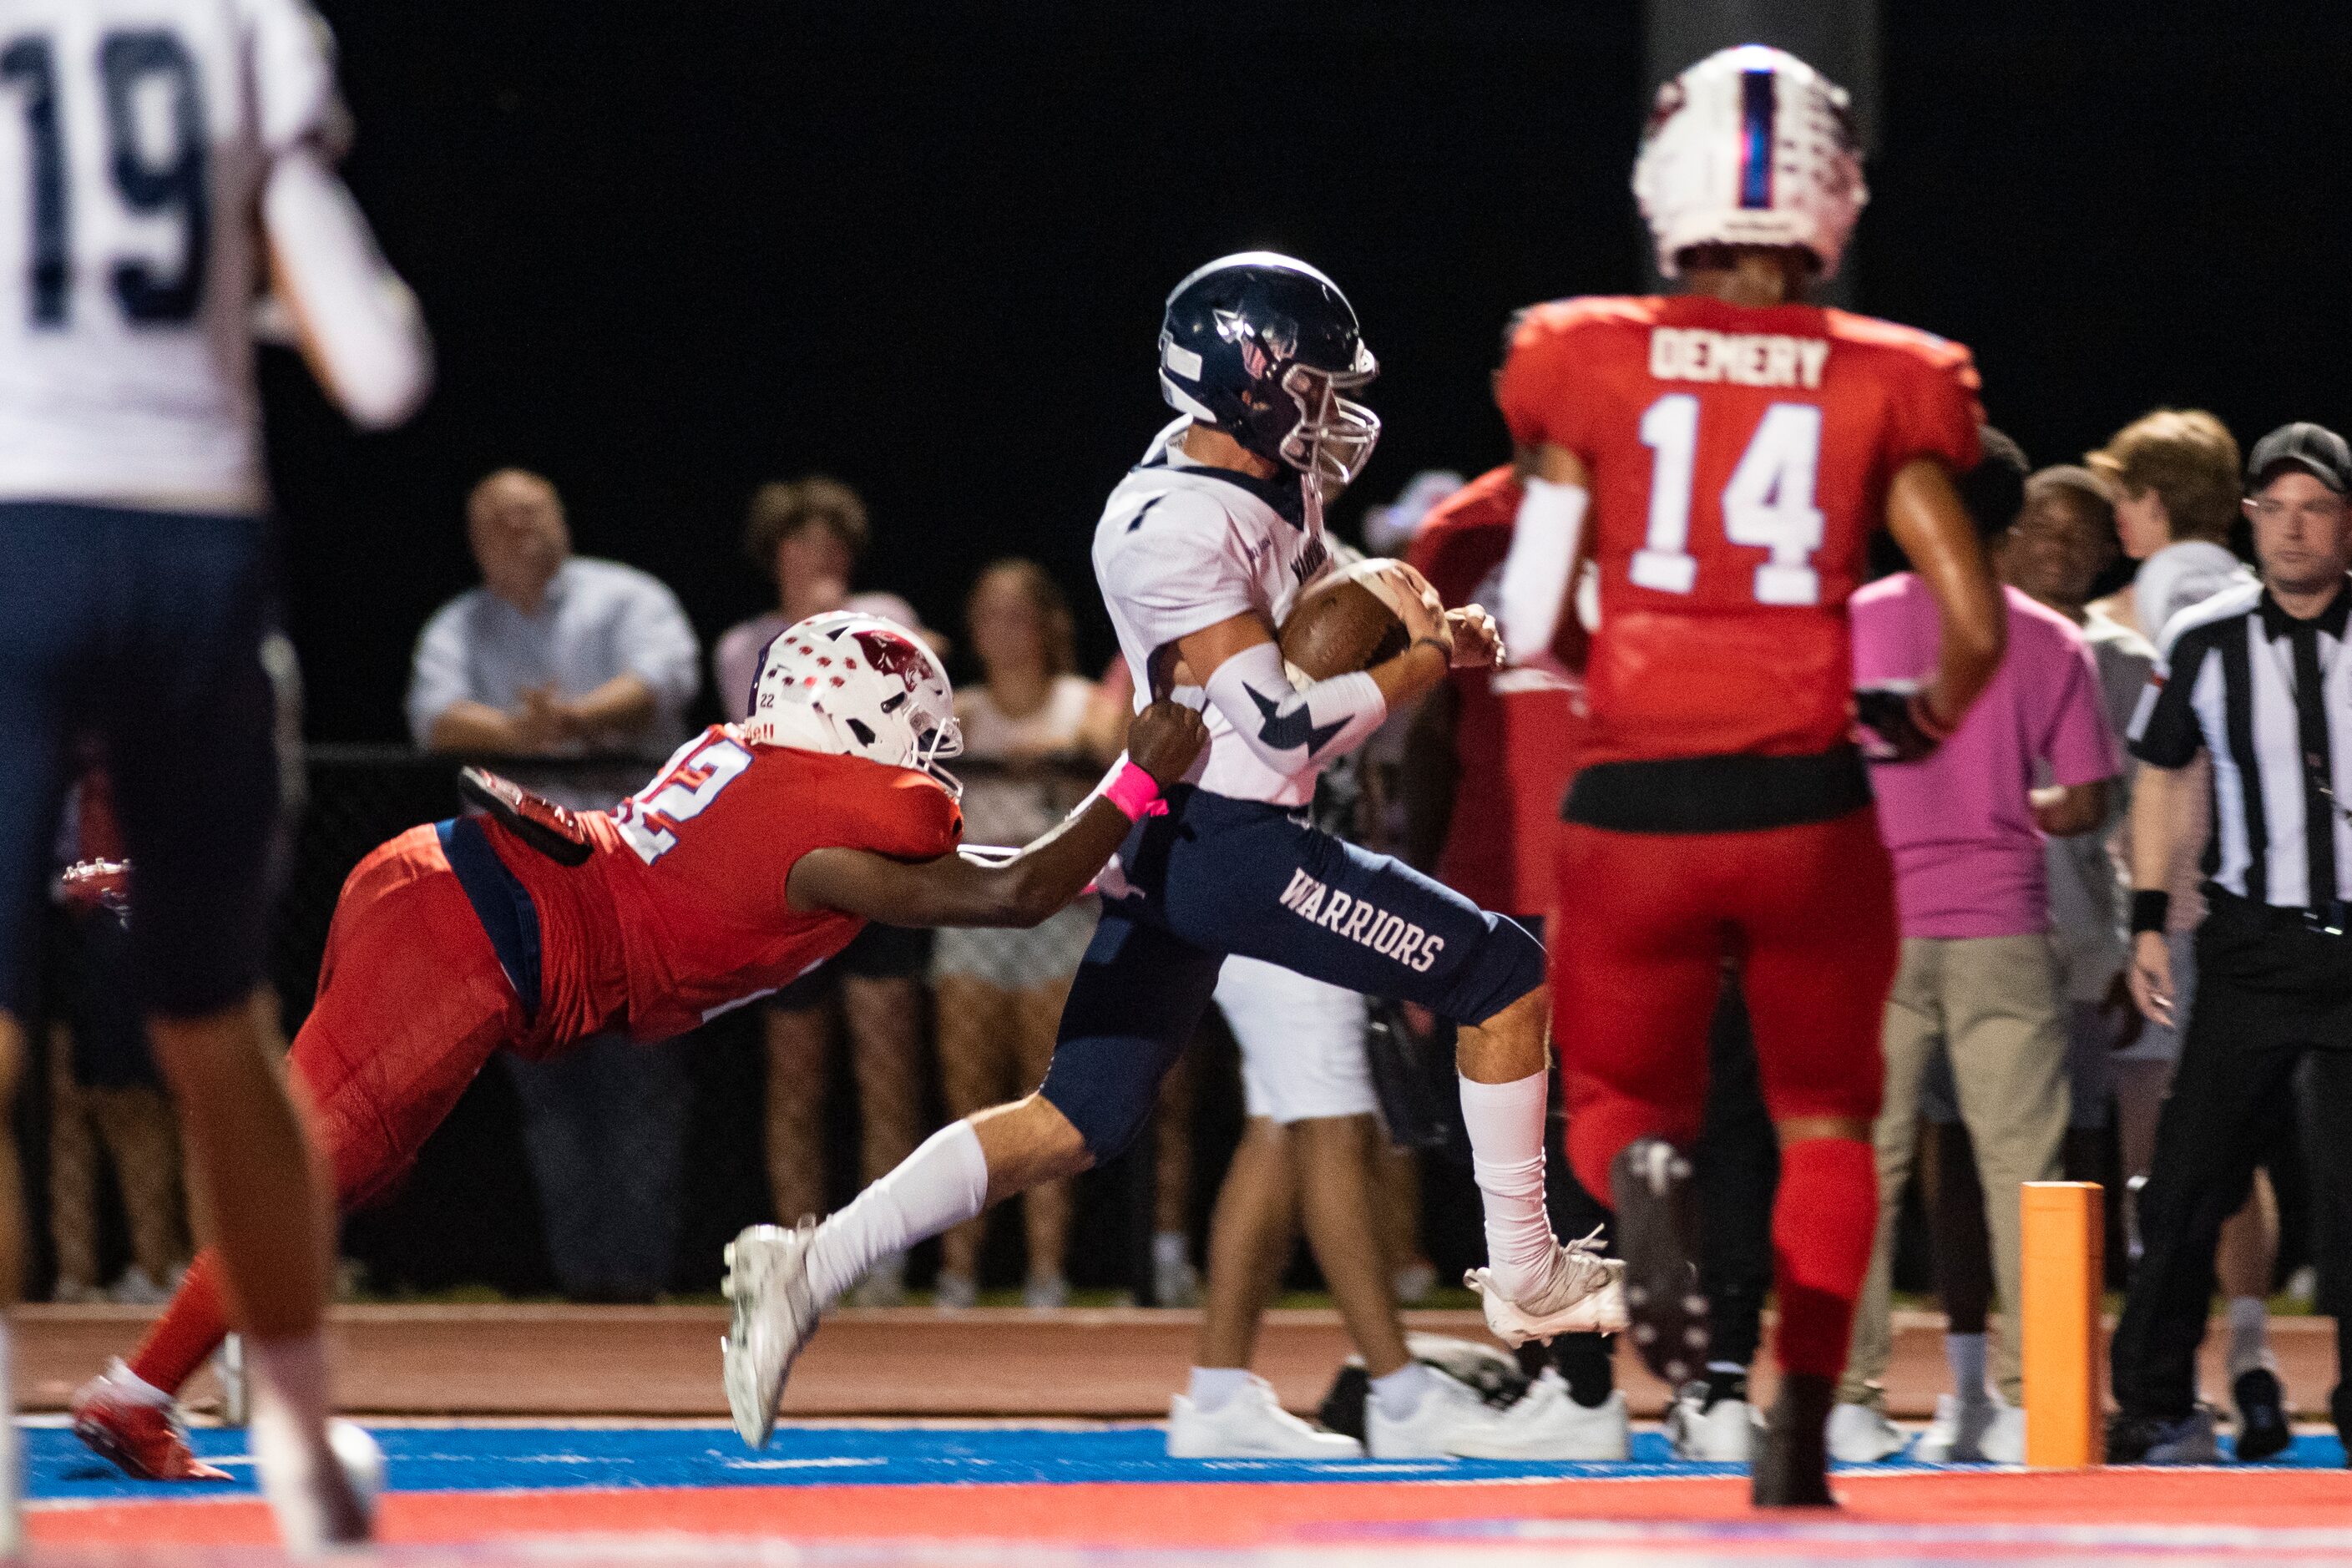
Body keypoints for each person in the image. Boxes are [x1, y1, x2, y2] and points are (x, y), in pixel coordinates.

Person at [724, 251, 1618, 1458]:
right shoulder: (1173, 525)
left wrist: (1385, 608)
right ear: (1251, 380)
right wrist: (1419, 661)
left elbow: (1304, 639)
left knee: (1074, 1116)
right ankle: (1525, 1272)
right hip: (1230, 836)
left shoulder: (1243, 470)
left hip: (1187, 827)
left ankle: (811, 1261)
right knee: (1502, 971)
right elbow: (1285, 720)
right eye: (1313, 383)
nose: (1334, 407)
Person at [68, 613, 1207, 1482]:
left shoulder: (766, 772)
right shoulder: (822, 827)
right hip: (476, 936)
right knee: (311, 1171)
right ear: (858, 718)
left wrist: (1118, 840)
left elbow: (1016, 877)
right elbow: (1017, 897)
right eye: (914, 726)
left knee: (335, 1163)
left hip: (455, 901)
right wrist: (1141, 773)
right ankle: (135, 1391)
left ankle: (194, 1334)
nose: (929, 760)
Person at [1493, 45, 2006, 1505]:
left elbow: (1530, 618)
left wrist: (1640, 668)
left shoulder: (1581, 354)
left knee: (1611, 1092)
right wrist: (1909, 721)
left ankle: (1640, 1184)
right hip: (1805, 802)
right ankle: (1791, 1421)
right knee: (1828, 1118)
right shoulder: (1885, 377)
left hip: (1635, 801)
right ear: (1830, 197)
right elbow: (1969, 625)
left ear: (1667, 183)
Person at [0, 0, 432, 1547]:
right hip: (191, 548)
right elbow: (375, 366)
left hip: (21, 528)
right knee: (223, 1040)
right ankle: (305, 1443)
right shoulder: (246, 29)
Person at [1832, 432, 2120, 1464]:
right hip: (2004, 925)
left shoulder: (1852, 621)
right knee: (2026, 1173)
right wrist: (2004, 805)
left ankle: (1849, 1403)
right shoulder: (2051, 639)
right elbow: (2085, 802)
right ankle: (2036, 1405)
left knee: (1860, 1168)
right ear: (2007, 520)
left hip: (1872, 931)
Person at [2110, 423, 2352, 1464]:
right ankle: (2156, 1404)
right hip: (2253, 946)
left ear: (2346, 521)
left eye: (2317, 507)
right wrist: (2151, 920)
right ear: (2249, 519)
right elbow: (2163, 774)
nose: (2295, 528)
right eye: (2277, 507)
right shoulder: (2207, 635)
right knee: (2189, 1183)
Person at [410, 468, 704, 1300]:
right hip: (520, 894)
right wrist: (517, 732)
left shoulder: (627, 596)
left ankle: (640, 1283)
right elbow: (434, 716)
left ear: (563, 518)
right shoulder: (456, 626)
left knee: (645, 1089)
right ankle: (581, 1286)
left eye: (532, 512)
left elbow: (664, 680)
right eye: (498, 520)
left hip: (634, 884)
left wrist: (569, 722)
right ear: (473, 539)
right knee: (549, 1100)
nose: (518, 530)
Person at [715, 479, 940, 1302]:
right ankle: (799, 1263)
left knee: (887, 1069)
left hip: (878, 870)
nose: (822, 562)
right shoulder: (743, 644)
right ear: (775, 555)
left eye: (835, 548)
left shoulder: (884, 609)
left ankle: (882, 1259)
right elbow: (774, 740)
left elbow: (900, 700)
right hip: (792, 883)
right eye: (804, 546)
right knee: (797, 1075)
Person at [930, 561, 1102, 1309]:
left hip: (1059, 918)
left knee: (1046, 1100)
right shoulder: (955, 711)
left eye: (1016, 613)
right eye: (987, 614)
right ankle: (958, 1272)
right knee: (967, 1096)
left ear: (1044, 624)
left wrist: (1058, 765)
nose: (1002, 629)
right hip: (973, 917)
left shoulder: (1084, 704)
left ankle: (1045, 1274)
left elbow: (1104, 769)